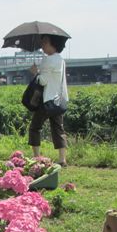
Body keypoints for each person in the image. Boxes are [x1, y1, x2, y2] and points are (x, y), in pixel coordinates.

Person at [28, 34, 69, 167]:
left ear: (53, 44)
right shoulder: (61, 60)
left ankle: (36, 158)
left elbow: (43, 80)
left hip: (47, 100)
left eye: (45, 42)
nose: (42, 45)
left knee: (35, 127)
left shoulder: (47, 60)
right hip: (59, 100)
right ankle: (62, 159)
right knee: (58, 129)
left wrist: (35, 73)